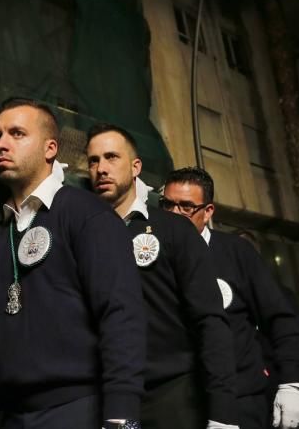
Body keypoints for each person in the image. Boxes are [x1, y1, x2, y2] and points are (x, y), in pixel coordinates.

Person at [0, 99, 146, 428]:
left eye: (17, 133)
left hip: (77, 408)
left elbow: (121, 313)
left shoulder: (86, 214)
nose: (1, 144)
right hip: (10, 414)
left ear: (50, 148)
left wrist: (122, 416)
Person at [84, 124, 239, 429]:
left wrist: (223, 412)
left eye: (112, 157)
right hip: (109, 396)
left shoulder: (173, 229)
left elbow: (210, 320)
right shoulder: (83, 233)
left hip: (174, 394)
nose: (101, 168)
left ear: (135, 166)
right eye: (93, 160)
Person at [163, 167, 299, 429]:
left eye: (186, 207)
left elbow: (280, 317)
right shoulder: (153, 256)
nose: (174, 214)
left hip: (242, 399)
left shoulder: (236, 252)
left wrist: (291, 383)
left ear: (208, 212)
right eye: (167, 205)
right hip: (181, 403)